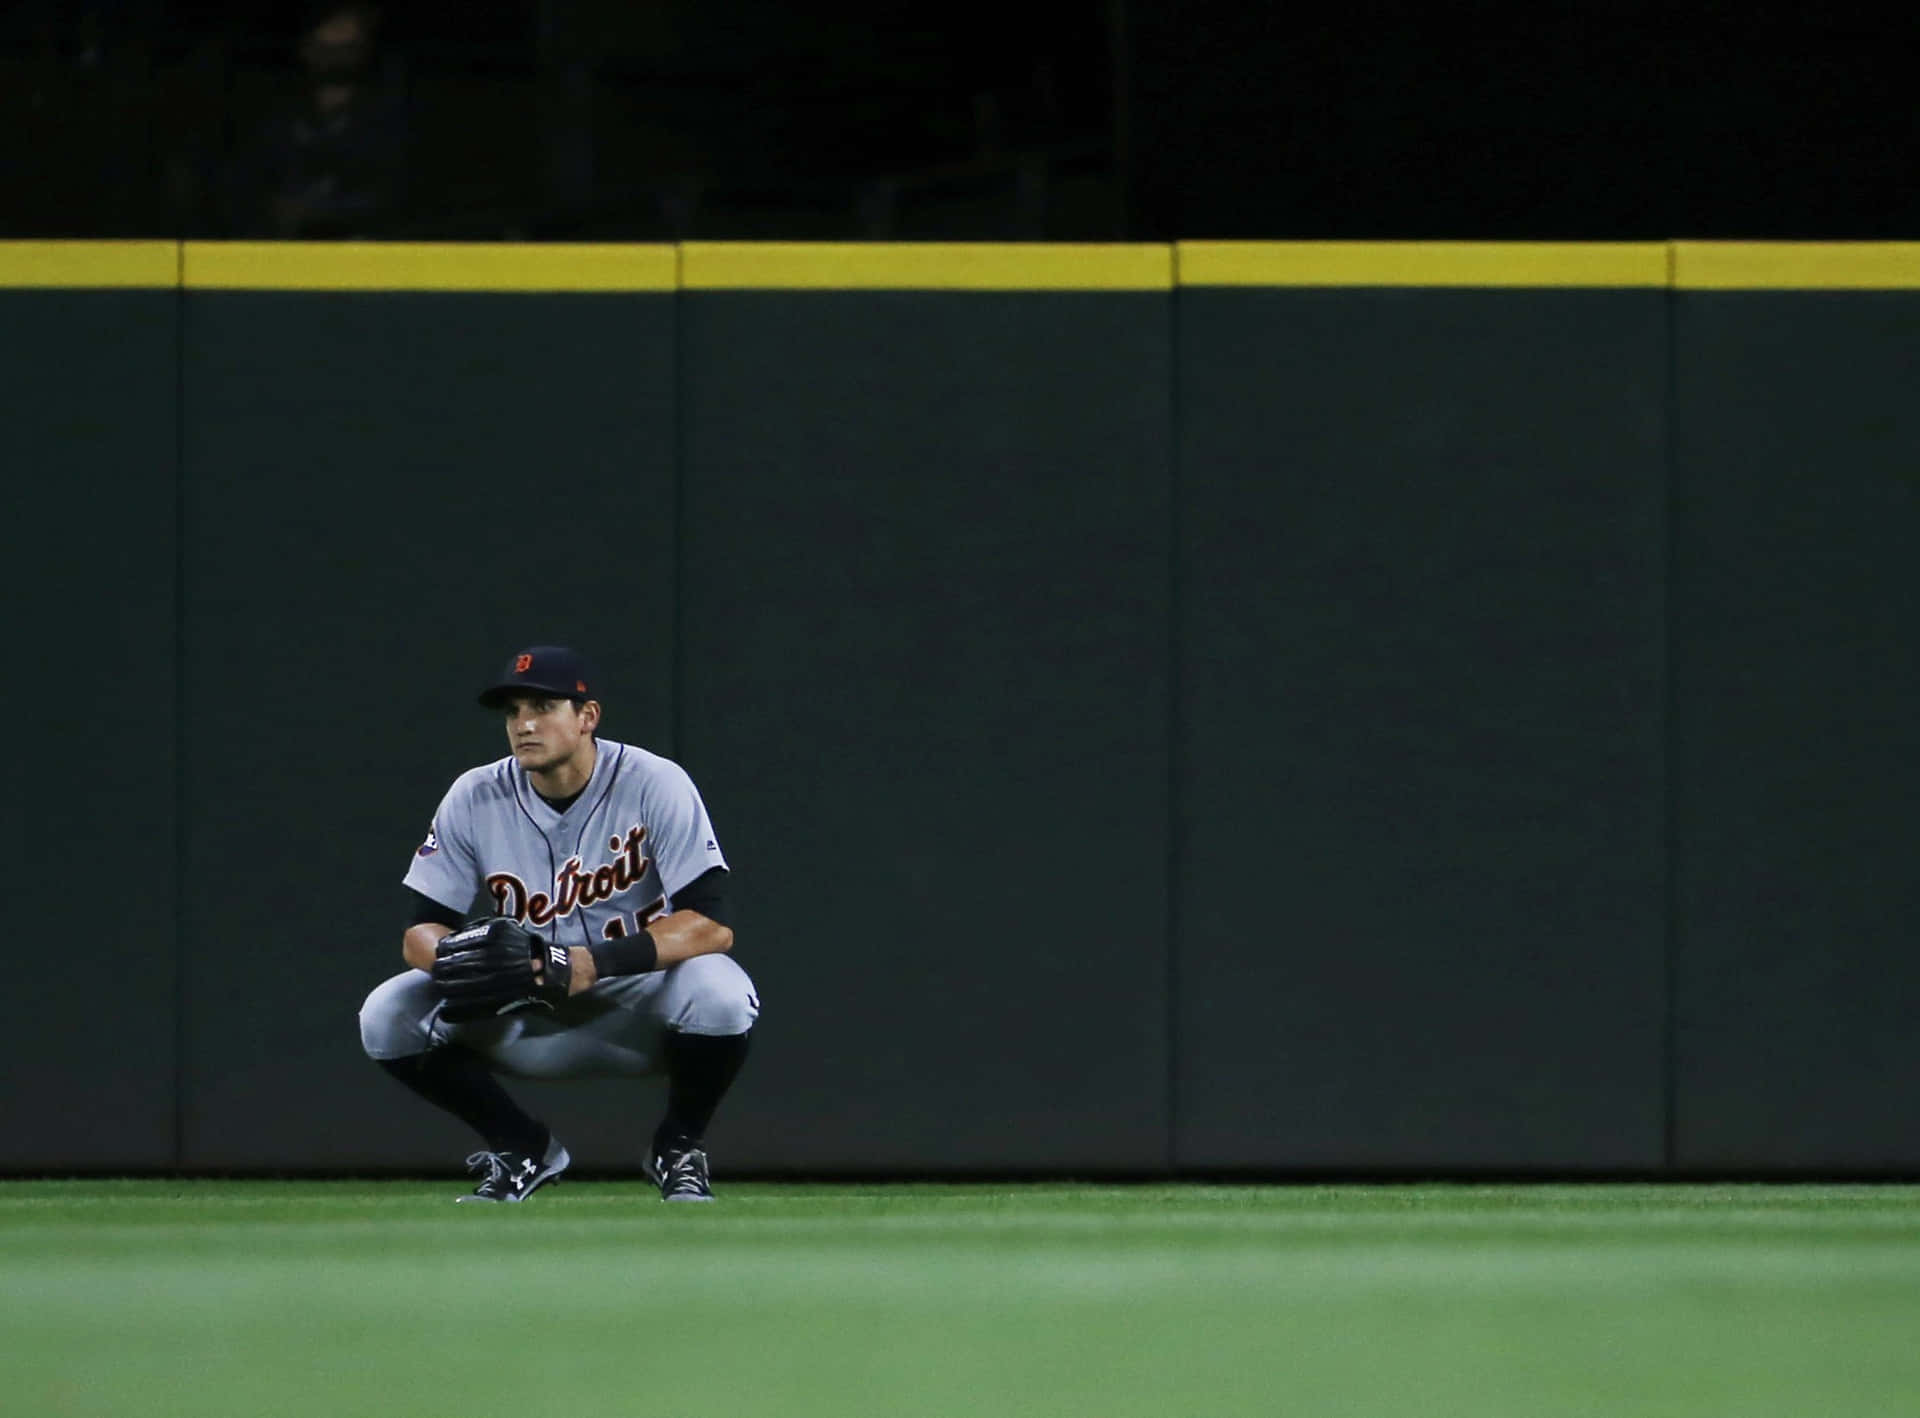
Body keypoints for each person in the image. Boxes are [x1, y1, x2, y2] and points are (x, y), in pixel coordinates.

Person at [358, 646, 758, 1202]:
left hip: (637, 1005)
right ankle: (522, 1147)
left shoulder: (654, 782)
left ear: (587, 717)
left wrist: (594, 962)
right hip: (526, 1008)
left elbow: (712, 924)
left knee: (723, 994)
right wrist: (463, 963)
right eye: (512, 711)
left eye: (543, 707)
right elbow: (420, 930)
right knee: (386, 1015)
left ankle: (678, 1146)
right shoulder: (475, 794)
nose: (524, 724)